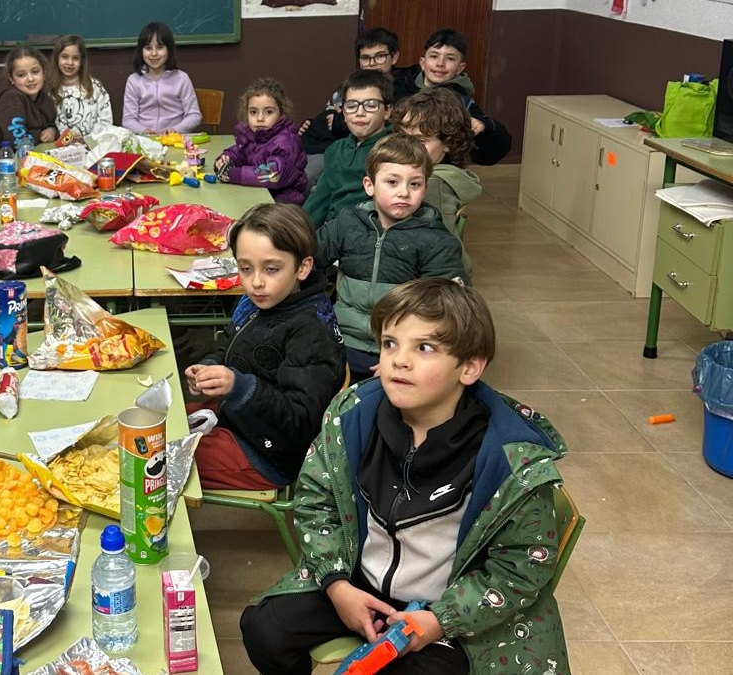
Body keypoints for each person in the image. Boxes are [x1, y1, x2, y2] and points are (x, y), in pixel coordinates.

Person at [240, 278, 572, 675]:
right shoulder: (352, 414)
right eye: (390, 343)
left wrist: (439, 620)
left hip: (447, 614)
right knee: (265, 629)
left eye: (424, 347)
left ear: (469, 367)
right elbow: (316, 498)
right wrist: (337, 585)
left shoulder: (509, 458)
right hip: (358, 583)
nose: (399, 360)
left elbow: (520, 567)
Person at [183, 203, 346, 490]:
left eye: (271, 269)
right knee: (152, 423)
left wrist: (238, 386)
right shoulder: (261, 300)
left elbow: (301, 423)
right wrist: (211, 367)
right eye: (245, 268)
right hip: (236, 418)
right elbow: (235, 348)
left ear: (303, 267)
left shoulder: (311, 333)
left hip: (265, 454)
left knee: (154, 459)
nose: (256, 282)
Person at [314, 133, 467, 382]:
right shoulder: (348, 223)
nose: (404, 192)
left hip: (398, 349)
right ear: (369, 185)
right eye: (392, 182)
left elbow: (445, 309)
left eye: (415, 184)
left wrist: (402, 354)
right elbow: (309, 257)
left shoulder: (436, 241)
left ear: (425, 188)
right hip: (340, 339)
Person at [392, 29, 512, 166]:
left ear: (460, 68)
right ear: (423, 62)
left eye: (450, 58)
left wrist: (485, 127)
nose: (440, 64)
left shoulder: (461, 103)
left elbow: (492, 152)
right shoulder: (398, 84)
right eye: (434, 56)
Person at [299, 28, 401, 187]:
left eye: (380, 56)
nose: (372, 63)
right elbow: (327, 120)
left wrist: (338, 121)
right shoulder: (349, 87)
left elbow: (338, 122)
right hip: (334, 147)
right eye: (366, 58)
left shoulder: (402, 89)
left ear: (394, 57)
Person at [303, 69, 393, 231]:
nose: (360, 113)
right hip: (330, 231)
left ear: (387, 111)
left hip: (365, 233)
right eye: (351, 106)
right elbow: (319, 199)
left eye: (370, 105)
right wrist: (298, 232)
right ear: (343, 113)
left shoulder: (394, 149)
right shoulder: (336, 149)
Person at [391, 87, 482, 232]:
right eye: (402, 136)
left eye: (421, 140)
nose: (407, 146)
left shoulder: (434, 184)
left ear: (448, 143)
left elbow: (435, 243)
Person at [213, 77, 307, 205]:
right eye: (253, 112)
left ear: (281, 113)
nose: (260, 118)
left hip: (281, 205)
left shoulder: (286, 141)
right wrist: (226, 159)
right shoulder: (253, 136)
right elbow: (239, 152)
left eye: (268, 112)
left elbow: (273, 174)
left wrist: (232, 174)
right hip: (258, 197)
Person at [0, 46, 58, 187]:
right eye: (21, 75)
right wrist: (38, 133)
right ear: (12, 79)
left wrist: (52, 130)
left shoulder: (46, 100)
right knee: (45, 183)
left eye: (35, 72)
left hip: (25, 159)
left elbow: (50, 124)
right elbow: (18, 141)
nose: (30, 79)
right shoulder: (11, 99)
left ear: (44, 72)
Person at [122, 22, 201, 135]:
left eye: (160, 47)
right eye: (148, 48)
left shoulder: (182, 78)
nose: (154, 53)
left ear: (168, 49)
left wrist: (176, 129)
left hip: (174, 140)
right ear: (141, 51)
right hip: (145, 142)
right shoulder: (133, 81)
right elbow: (128, 120)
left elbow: (194, 116)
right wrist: (143, 131)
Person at [47, 35, 113, 136]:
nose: (70, 62)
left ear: (82, 61)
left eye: (75, 58)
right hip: (58, 147)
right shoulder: (49, 89)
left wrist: (89, 142)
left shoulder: (95, 87)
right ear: (57, 58)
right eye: (65, 57)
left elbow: (105, 122)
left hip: (92, 146)